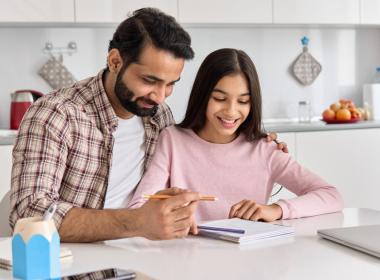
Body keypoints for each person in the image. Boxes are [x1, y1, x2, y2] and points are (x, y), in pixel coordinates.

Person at [9, 8, 284, 242]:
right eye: (150, 80)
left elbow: (195, 153)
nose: (160, 96)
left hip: (139, 253)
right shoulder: (56, 115)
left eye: (170, 84)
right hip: (70, 261)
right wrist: (136, 222)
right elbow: (29, 215)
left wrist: (253, 141)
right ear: (115, 61)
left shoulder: (157, 115)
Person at [129, 48, 344, 223]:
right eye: (220, 98)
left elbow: (331, 196)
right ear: (203, 96)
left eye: (243, 101)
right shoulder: (173, 140)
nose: (231, 111)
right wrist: (169, 213)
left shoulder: (265, 149)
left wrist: (276, 210)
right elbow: (139, 207)